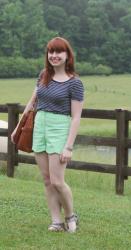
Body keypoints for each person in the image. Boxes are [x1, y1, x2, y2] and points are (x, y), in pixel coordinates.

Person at [11, 37, 84, 233]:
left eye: (58, 52)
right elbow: (32, 101)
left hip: (59, 128)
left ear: (67, 55)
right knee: (46, 179)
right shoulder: (43, 75)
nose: (54, 55)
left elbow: (76, 117)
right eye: (51, 52)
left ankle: (70, 216)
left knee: (58, 181)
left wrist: (69, 146)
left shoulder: (75, 83)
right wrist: (19, 127)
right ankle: (56, 221)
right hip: (40, 126)